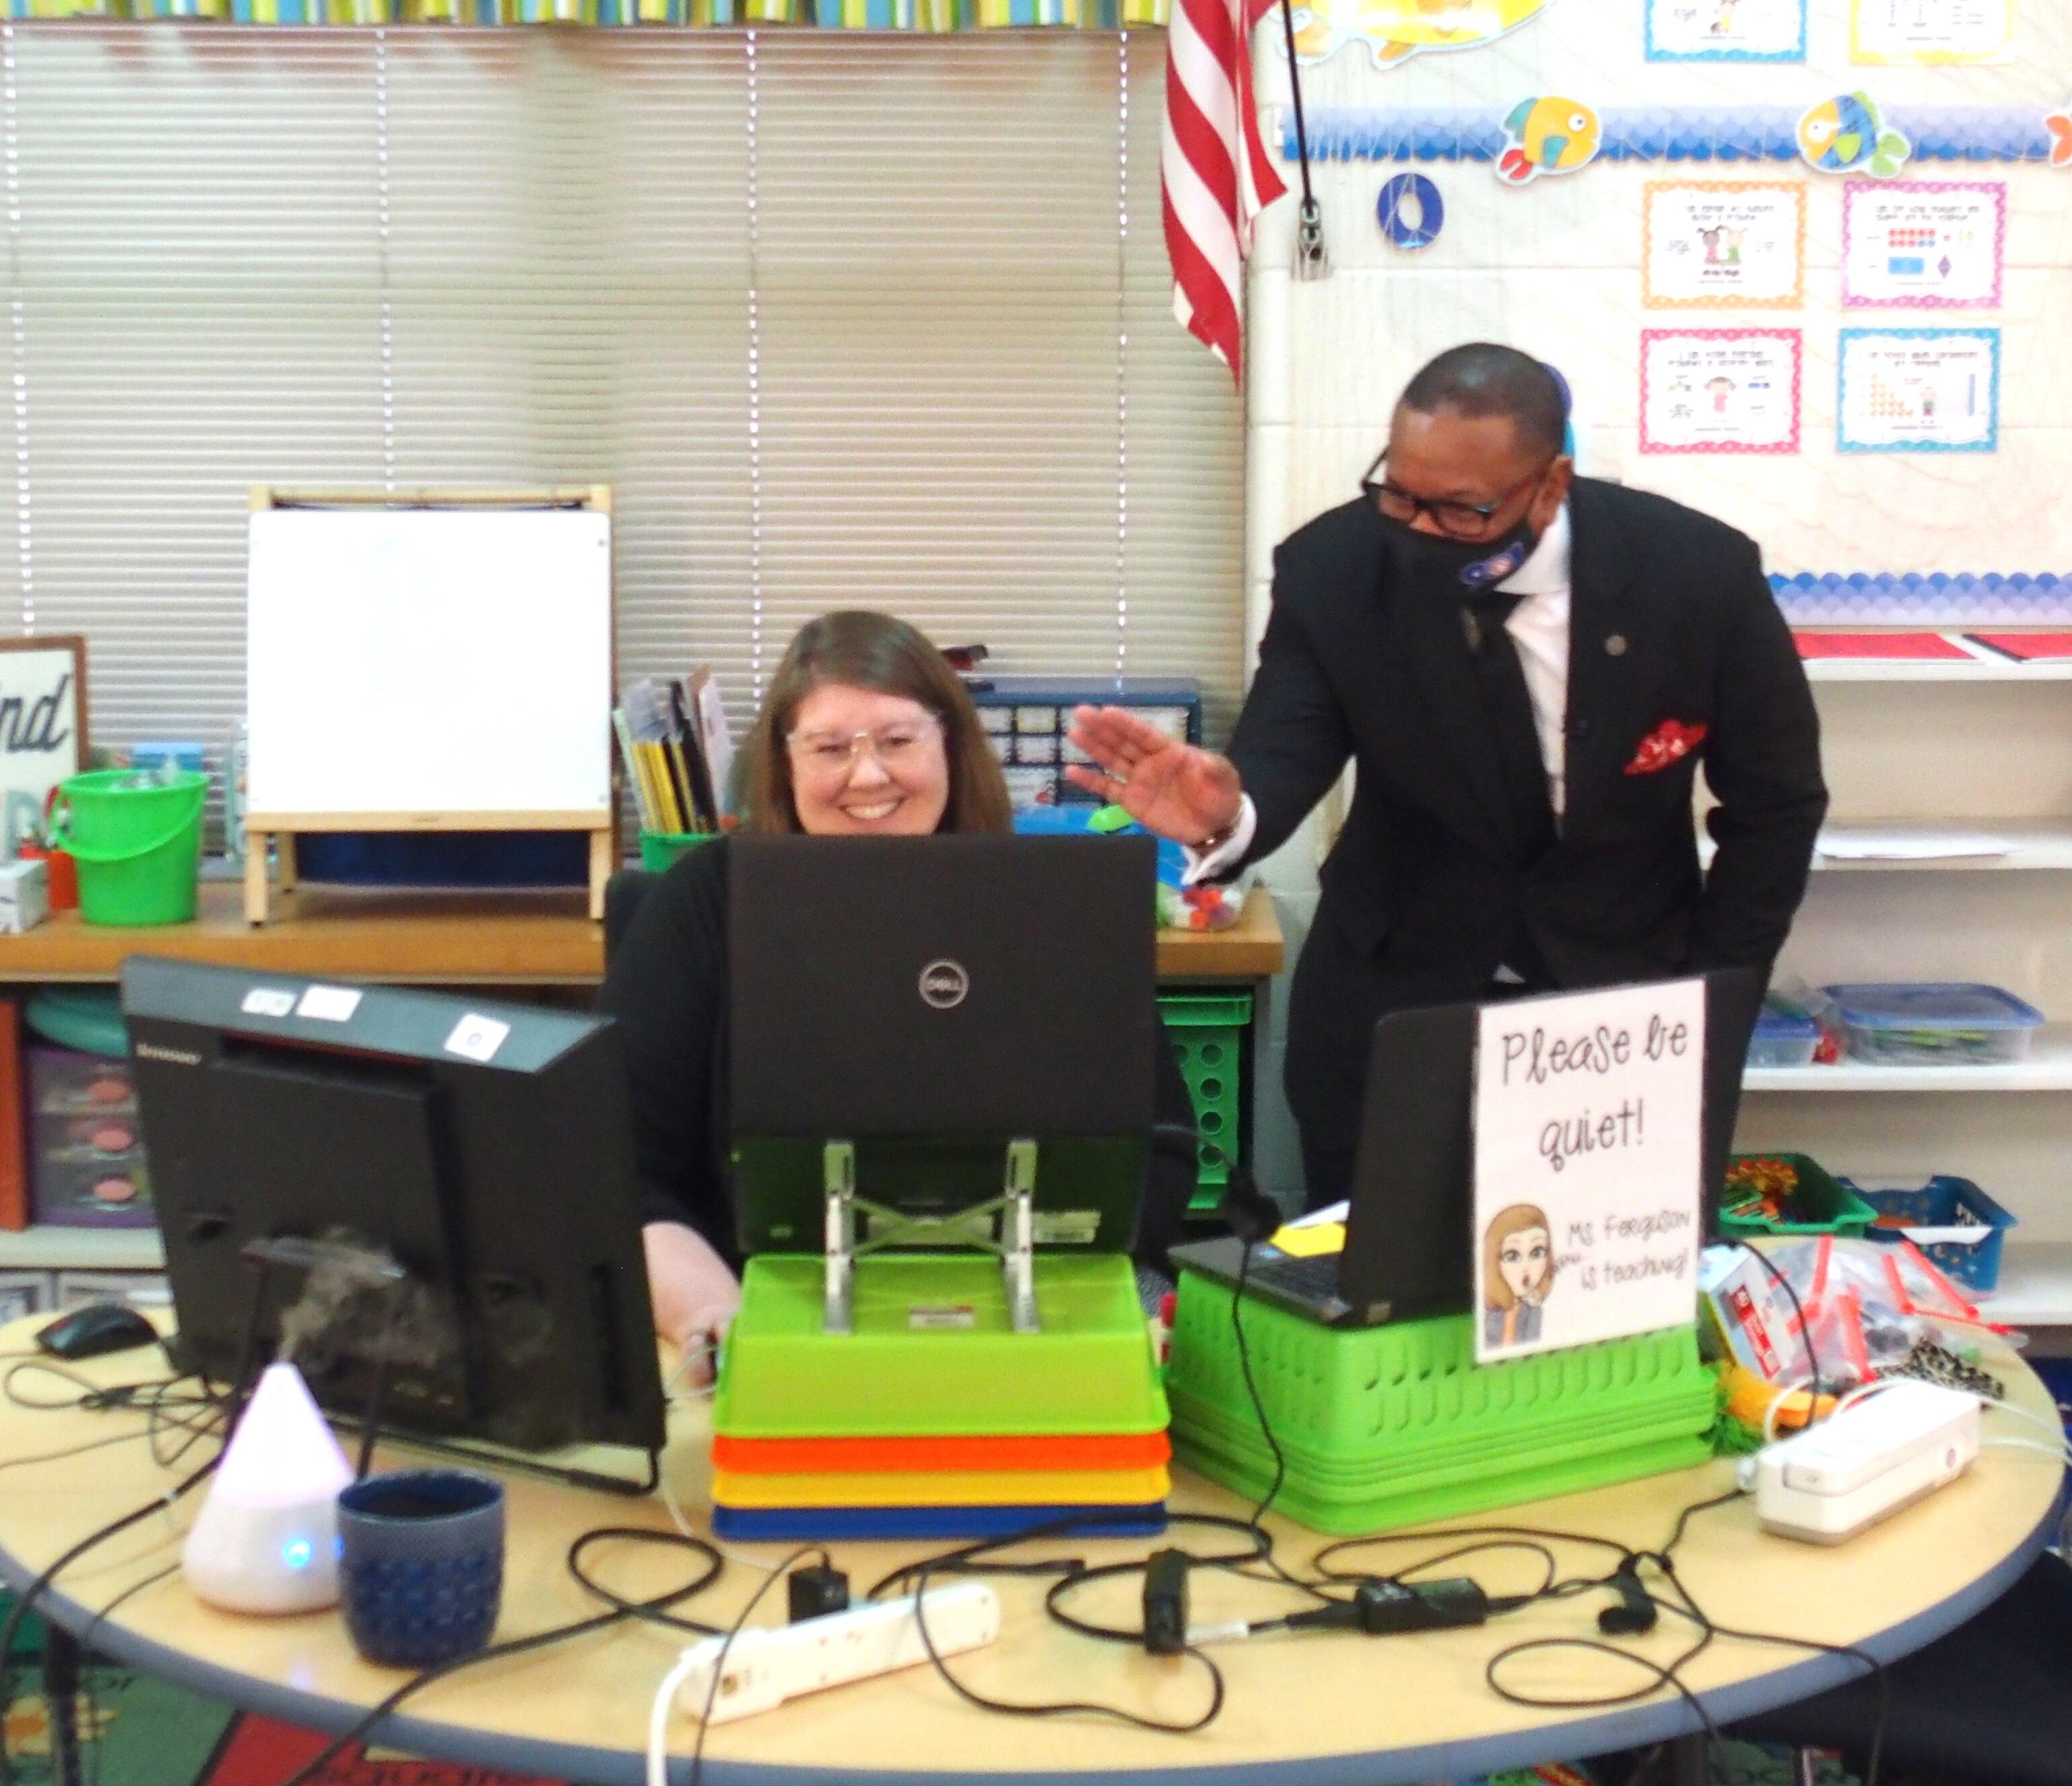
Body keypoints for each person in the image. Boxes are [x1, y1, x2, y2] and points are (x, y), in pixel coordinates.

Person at [1068, 343, 1826, 1206]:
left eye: (1459, 510)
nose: (1417, 530)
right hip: (1396, 998)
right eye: (1398, 492)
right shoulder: (1335, 567)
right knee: (1379, 1301)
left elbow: (1776, 803)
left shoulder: (1693, 576)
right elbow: (1288, 743)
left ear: (1549, 485)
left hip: (1624, 1005)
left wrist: (1715, 991)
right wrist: (1226, 814)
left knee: (1597, 1309)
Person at [599, 610, 1197, 1377]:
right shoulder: (704, 903)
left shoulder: (1047, 901)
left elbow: (1162, 1150)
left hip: (1030, 1301)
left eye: (896, 740)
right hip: (765, 1304)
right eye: (829, 747)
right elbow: (618, 1168)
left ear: (948, 741)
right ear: (783, 762)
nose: (868, 774)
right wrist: (718, 1320)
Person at [1481, 1203, 1553, 1348]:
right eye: (1513, 1256)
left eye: (1537, 1253)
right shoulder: (1488, 1313)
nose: (1526, 1267)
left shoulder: (1532, 1311)